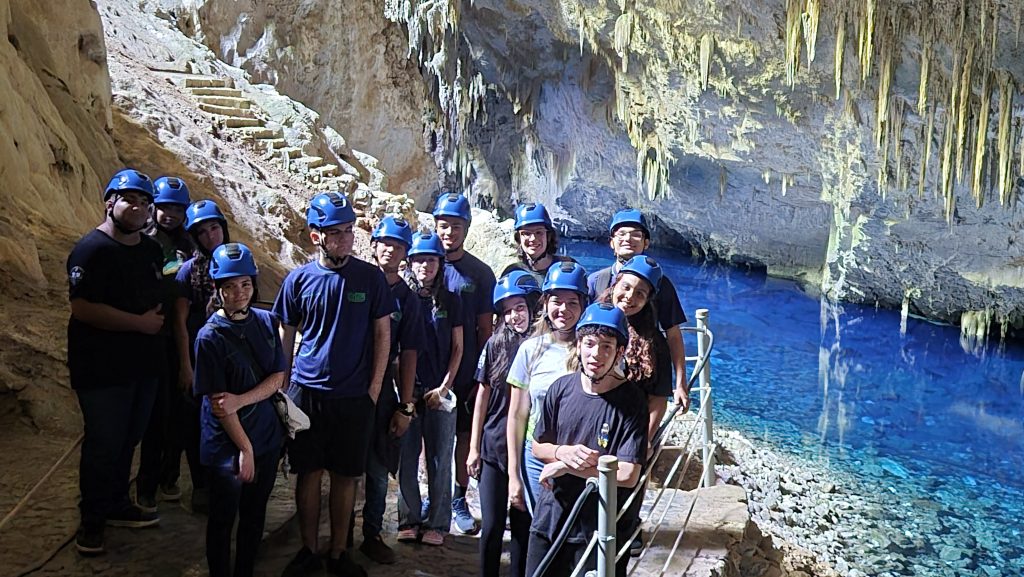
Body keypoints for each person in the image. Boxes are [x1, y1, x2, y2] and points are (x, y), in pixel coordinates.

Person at [275, 192, 393, 577]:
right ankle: (308, 549)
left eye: (349, 231)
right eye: (336, 233)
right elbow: (285, 335)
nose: (345, 240)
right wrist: (283, 388)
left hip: (353, 396)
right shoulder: (299, 280)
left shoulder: (370, 278)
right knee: (307, 473)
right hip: (306, 394)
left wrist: (373, 391)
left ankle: (339, 552)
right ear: (316, 236)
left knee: (346, 477)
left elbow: (382, 335)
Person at [69, 169, 165, 555]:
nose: (138, 208)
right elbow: (82, 308)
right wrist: (139, 324)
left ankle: (116, 505)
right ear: (110, 202)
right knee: (103, 445)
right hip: (102, 368)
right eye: (130, 200)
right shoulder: (91, 250)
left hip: (142, 365)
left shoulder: (150, 250)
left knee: (129, 439)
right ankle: (91, 521)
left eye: (144, 202)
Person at [524, 303, 648, 577]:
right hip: (551, 516)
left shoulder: (631, 401)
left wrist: (569, 467)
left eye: (607, 346)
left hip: (597, 525)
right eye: (590, 344)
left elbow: (628, 474)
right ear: (578, 345)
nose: (597, 354)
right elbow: (537, 446)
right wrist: (561, 453)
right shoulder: (561, 388)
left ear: (620, 352)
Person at [192, 243, 285, 577]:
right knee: (222, 518)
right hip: (227, 445)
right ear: (218, 289)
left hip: (265, 438)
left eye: (245, 284)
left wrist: (243, 400)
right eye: (229, 286)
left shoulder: (264, 320)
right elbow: (220, 405)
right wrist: (244, 449)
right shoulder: (209, 338)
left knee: (254, 513)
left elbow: (278, 377)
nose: (239, 293)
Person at [468, 271, 541, 577]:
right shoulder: (495, 345)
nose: (514, 316)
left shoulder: (545, 347)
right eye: (508, 311)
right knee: (493, 525)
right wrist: (473, 448)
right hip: (494, 445)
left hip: (528, 451)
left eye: (520, 308)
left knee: (524, 527)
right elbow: (481, 398)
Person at [359, 216, 423, 564]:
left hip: (383, 392)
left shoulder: (407, 300)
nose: (389, 249)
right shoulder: (357, 284)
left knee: (378, 466)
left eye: (397, 246)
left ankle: (370, 534)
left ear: (405, 254)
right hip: (348, 387)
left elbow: (409, 353)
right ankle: (336, 540)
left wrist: (406, 405)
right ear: (373, 246)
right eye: (385, 243)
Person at [433, 192, 496, 535]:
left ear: (466, 229)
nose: (449, 233)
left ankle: (458, 497)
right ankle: (435, 495)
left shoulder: (480, 274)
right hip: (432, 369)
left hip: (468, 370)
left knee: (461, 436)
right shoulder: (425, 265)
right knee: (433, 437)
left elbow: (486, 328)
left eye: (455, 226)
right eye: (444, 226)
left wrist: (481, 375)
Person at [600, 255, 672, 556]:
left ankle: (624, 539)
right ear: (615, 284)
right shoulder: (594, 324)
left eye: (640, 294)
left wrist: (645, 438)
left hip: (630, 430)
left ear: (648, 300)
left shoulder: (653, 342)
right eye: (626, 288)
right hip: (595, 422)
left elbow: (658, 397)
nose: (629, 298)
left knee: (626, 494)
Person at [396, 231, 464, 547]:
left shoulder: (452, 300)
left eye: (431, 259)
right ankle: (409, 518)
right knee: (407, 458)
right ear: (410, 263)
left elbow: (458, 348)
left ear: (440, 263)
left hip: (441, 391)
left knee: (440, 459)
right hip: (408, 391)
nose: (425, 265)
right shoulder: (402, 298)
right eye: (419, 259)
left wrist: (444, 387)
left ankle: (437, 522)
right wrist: (404, 392)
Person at [587, 209, 690, 411]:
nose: (629, 239)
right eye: (622, 234)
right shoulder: (596, 281)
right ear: (612, 242)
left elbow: (673, 334)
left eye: (636, 234)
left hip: (642, 374)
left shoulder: (661, 285)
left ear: (646, 243)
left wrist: (680, 383)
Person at [507, 261, 589, 515]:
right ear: (545, 304)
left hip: (581, 457)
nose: (563, 309)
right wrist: (513, 475)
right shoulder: (530, 350)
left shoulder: (593, 350)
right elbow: (517, 415)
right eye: (557, 301)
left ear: (584, 306)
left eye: (572, 303)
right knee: (542, 530)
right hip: (537, 456)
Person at [137, 176, 195, 511]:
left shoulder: (187, 242)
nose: (170, 214)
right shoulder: (143, 241)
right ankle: (146, 485)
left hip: (179, 337)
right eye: (165, 207)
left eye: (177, 208)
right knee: (155, 418)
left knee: (179, 414)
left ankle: (169, 475)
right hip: (153, 337)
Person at [174, 199, 232, 514]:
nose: (210, 236)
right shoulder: (188, 271)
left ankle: (228, 481)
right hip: (199, 355)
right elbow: (180, 322)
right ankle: (201, 485)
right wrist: (186, 365)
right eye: (202, 232)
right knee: (196, 424)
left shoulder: (238, 260)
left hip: (230, 355)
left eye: (214, 228)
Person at [500, 202, 575, 283]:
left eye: (539, 232)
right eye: (526, 233)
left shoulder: (568, 267)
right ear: (519, 238)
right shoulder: (512, 273)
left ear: (548, 236)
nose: (533, 238)